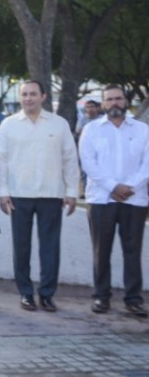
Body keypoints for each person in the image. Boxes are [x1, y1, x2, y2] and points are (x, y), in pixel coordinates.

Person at [0, 79, 79, 312]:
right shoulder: (9, 124)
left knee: (50, 247)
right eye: (24, 94)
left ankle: (47, 294)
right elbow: (0, 160)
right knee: (21, 247)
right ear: (20, 97)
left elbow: (70, 159)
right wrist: (3, 192)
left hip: (51, 194)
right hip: (19, 195)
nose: (28, 98)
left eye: (33, 94)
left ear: (43, 96)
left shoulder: (59, 124)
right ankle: (25, 293)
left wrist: (72, 192)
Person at [79, 85, 149, 317]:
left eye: (118, 99)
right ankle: (101, 297)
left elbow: (147, 163)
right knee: (101, 250)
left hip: (135, 198)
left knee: (133, 251)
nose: (115, 103)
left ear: (125, 102)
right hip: (101, 198)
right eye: (109, 100)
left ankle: (133, 299)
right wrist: (113, 187)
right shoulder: (91, 130)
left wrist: (131, 187)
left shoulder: (142, 130)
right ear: (103, 104)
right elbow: (88, 163)